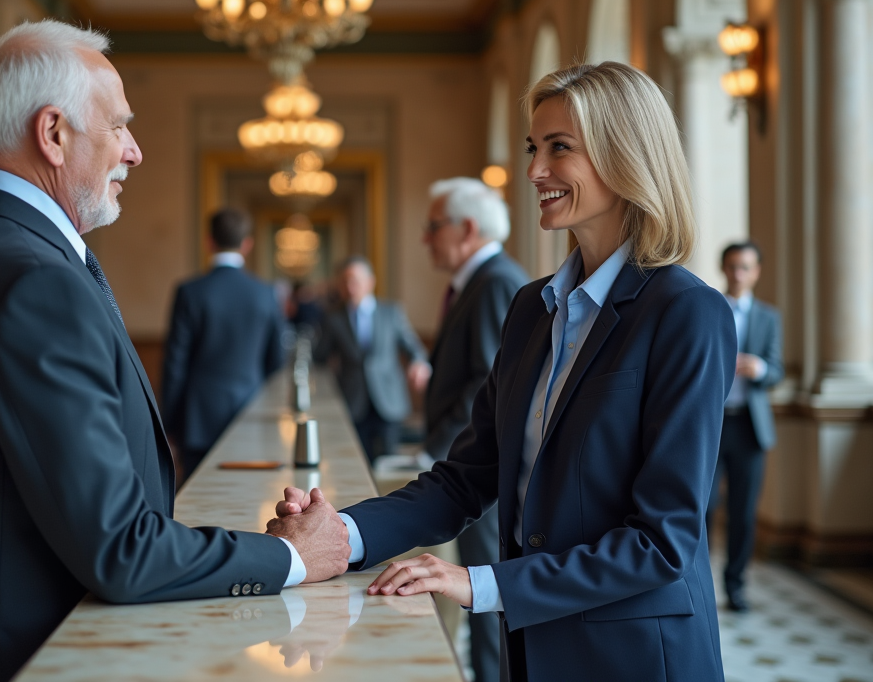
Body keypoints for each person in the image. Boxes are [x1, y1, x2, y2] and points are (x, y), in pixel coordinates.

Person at [0, 21, 350, 682]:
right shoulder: (36, 282)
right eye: (119, 127)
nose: (135, 151)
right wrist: (292, 557)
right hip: (31, 660)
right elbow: (122, 550)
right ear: (53, 134)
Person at [270, 61, 736, 681]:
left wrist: (479, 582)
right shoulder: (531, 307)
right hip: (537, 649)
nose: (534, 171)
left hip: (636, 657)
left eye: (559, 148)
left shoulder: (687, 312)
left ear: (625, 156)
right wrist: (342, 532)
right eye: (533, 148)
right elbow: (466, 478)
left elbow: (663, 543)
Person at [420, 177, 528, 682]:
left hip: (481, 473)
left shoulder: (495, 281)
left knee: (487, 602)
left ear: (466, 228)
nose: (426, 238)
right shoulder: (477, 282)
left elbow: (485, 387)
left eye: (433, 227)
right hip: (469, 465)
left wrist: (438, 455)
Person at [162, 207, 285, 480]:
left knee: (197, 500)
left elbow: (175, 365)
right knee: (248, 493)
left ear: (209, 241)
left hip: (199, 417)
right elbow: (277, 358)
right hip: (251, 410)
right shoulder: (265, 293)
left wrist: (168, 423)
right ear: (247, 244)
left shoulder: (190, 292)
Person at [707, 241, 783, 612]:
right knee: (702, 507)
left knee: (743, 513)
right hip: (712, 426)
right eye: (733, 266)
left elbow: (777, 369)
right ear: (724, 269)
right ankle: (698, 583)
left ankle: (735, 587)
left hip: (750, 429)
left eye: (746, 267)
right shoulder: (708, 308)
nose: (738, 274)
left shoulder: (769, 317)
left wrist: (761, 369)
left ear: (756, 272)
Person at [315, 257, 430, 463]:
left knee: (388, 462)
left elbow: (414, 348)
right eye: (345, 282)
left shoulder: (391, 312)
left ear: (370, 282)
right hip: (352, 400)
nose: (350, 287)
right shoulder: (333, 318)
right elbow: (319, 357)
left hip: (388, 400)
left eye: (355, 281)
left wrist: (419, 363)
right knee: (357, 460)